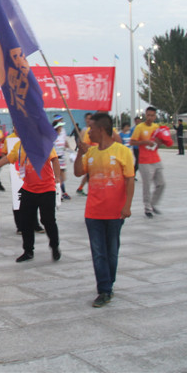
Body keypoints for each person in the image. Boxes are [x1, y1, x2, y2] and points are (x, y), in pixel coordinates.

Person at [73, 113, 134, 308]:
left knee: (112, 251)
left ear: (101, 130)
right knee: (98, 252)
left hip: (115, 212)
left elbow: (129, 179)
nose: (88, 132)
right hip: (93, 212)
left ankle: (109, 282)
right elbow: (78, 172)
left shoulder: (123, 152)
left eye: (91, 129)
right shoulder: (90, 152)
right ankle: (104, 289)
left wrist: (127, 205)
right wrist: (80, 154)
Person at [0, 131, 61, 263]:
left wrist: (57, 178)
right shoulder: (19, 146)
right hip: (28, 189)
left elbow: (55, 159)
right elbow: (8, 158)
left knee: (48, 220)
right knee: (25, 221)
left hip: (46, 189)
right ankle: (28, 251)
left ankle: (54, 246)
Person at [130, 107, 165, 218]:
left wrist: (160, 142)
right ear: (145, 115)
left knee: (161, 184)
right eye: (148, 115)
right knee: (147, 185)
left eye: (152, 115)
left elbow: (159, 142)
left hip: (156, 159)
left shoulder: (156, 127)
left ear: (155, 116)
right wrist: (144, 142)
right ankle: (147, 208)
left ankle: (153, 203)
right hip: (144, 161)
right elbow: (132, 142)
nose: (150, 117)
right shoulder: (139, 127)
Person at [53, 119, 72, 201]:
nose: (61, 128)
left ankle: (61, 192)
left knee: (63, 178)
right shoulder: (52, 137)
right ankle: (60, 193)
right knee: (59, 177)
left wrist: (71, 152)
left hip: (62, 159)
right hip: (56, 159)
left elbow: (65, 145)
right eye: (60, 127)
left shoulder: (61, 136)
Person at [76, 113, 94, 196]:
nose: (89, 120)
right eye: (88, 118)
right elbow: (80, 142)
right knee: (88, 173)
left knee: (89, 174)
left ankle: (81, 187)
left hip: (94, 154)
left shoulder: (95, 129)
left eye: (90, 118)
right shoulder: (84, 130)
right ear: (85, 119)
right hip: (87, 154)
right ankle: (83, 188)